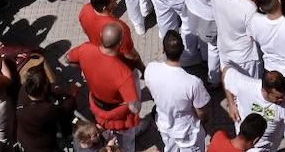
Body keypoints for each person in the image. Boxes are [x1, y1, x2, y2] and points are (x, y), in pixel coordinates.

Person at [68, 23, 142, 152]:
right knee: (127, 136)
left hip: (96, 105)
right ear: (120, 43)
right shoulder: (124, 73)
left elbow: (68, 58)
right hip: (116, 114)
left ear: (101, 36)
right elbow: (134, 108)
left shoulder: (85, 48)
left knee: (107, 129)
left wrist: (84, 69)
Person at [145, 31, 211, 152]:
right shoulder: (193, 83)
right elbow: (202, 113)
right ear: (183, 50)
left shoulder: (150, 68)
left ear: (163, 50)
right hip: (187, 132)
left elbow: (151, 92)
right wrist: (204, 124)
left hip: (164, 126)